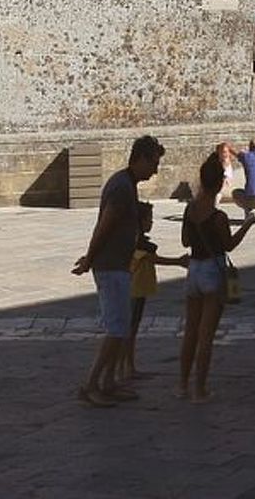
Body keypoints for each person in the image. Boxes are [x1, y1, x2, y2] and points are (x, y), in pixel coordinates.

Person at [71, 133, 165, 407]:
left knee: (122, 327)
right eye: (154, 163)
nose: (155, 169)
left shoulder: (127, 184)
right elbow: (105, 224)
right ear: (140, 158)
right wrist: (90, 257)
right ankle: (91, 384)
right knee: (115, 329)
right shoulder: (122, 187)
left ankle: (110, 382)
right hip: (110, 266)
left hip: (118, 264)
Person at [177, 155, 255, 402]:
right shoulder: (218, 217)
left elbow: (185, 241)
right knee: (206, 335)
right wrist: (247, 224)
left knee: (190, 331)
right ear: (221, 183)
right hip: (213, 270)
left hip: (194, 269)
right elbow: (229, 245)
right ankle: (199, 389)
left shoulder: (190, 210)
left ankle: (182, 385)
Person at [122, 201, 184, 383]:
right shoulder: (136, 242)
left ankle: (127, 366)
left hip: (139, 289)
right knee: (129, 330)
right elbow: (150, 258)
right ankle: (126, 367)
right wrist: (178, 262)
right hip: (134, 289)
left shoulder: (138, 240)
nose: (151, 222)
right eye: (148, 219)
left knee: (131, 329)